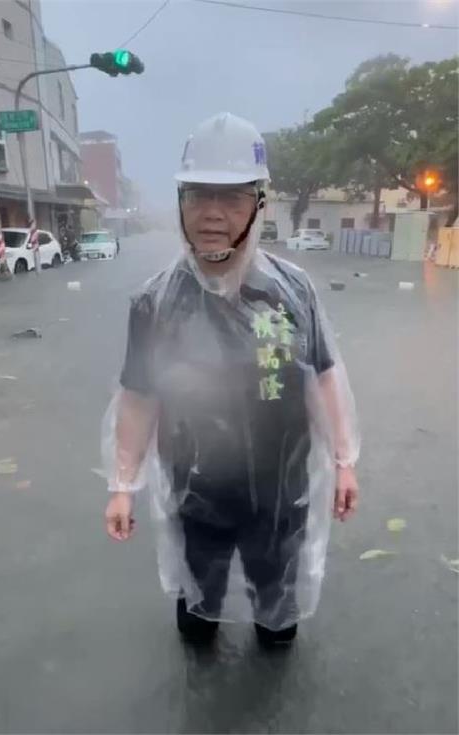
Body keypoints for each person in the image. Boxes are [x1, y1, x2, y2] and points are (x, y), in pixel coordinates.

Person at [101, 112, 360, 649]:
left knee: (278, 628)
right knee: (197, 623)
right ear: (180, 203)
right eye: (197, 196)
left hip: (280, 494)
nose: (212, 215)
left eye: (233, 197)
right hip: (196, 494)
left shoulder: (292, 292)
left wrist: (344, 461)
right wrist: (122, 487)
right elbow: (137, 398)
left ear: (259, 205)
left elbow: (325, 377)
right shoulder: (157, 301)